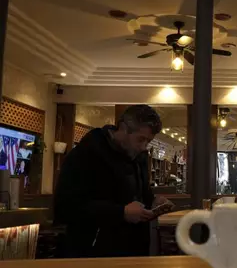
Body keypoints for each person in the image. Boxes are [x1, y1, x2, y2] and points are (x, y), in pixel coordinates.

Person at [54, 105, 171, 258]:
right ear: (123, 129)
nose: (143, 147)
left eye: (148, 141)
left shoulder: (139, 156)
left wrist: (153, 202)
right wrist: (121, 212)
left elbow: (141, 194)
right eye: (141, 139)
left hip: (135, 252)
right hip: (93, 254)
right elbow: (66, 207)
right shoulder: (86, 154)